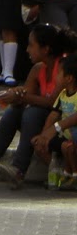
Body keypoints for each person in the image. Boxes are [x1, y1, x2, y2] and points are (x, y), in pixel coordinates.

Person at [0, 25, 77, 189]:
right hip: (46, 120)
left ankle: (18, 169)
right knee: (13, 112)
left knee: (32, 113)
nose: (27, 50)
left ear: (45, 49)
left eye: (31, 45)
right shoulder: (38, 69)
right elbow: (27, 95)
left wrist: (23, 97)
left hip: (61, 120)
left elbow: (53, 102)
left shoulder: (63, 69)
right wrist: (16, 95)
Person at [32, 53, 77, 189]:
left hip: (74, 136)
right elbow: (53, 115)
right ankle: (61, 173)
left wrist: (55, 128)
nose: (55, 77)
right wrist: (43, 136)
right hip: (66, 135)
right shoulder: (62, 95)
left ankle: (73, 175)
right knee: (45, 143)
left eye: (58, 74)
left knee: (69, 147)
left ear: (68, 78)